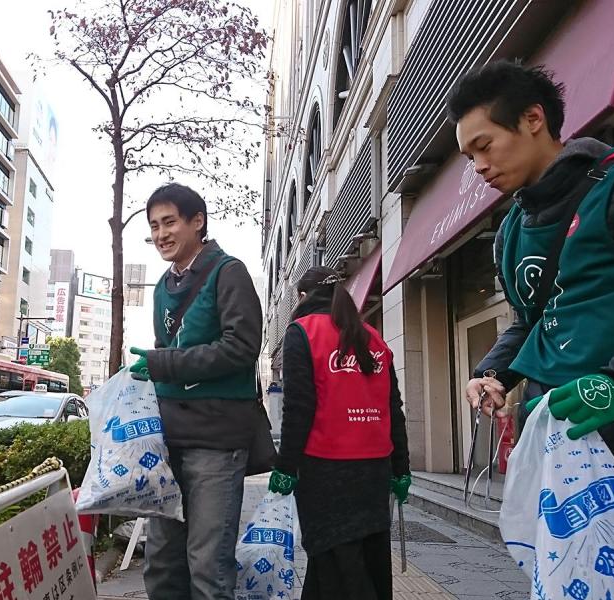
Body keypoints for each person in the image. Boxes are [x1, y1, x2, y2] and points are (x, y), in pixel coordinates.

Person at [448, 59, 614, 508]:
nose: (479, 167)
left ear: (533, 119)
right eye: (469, 158)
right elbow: (534, 320)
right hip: (557, 451)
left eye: (485, 145)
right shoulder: (510, 231)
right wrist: (491, 372)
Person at [128, 183, 262, 600]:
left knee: (208, 565)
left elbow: (242, 347)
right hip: (169, 439)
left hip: (217, 440)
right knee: (162, 560)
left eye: (169, 222)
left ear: (197, 222)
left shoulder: (229, 271)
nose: (160, 234)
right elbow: (165, 352)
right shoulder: (162, 288)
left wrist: (161, 363)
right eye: (154, 226)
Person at [268, 266, 410, 600]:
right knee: (366, 561)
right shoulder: (373, 338)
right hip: (374, 471)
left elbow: (298, 409)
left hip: (326, 471)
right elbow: (393, 409)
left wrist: (286, 467)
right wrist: (400, 470)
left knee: (338, 567)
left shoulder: (302, 332)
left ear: (303, 296)